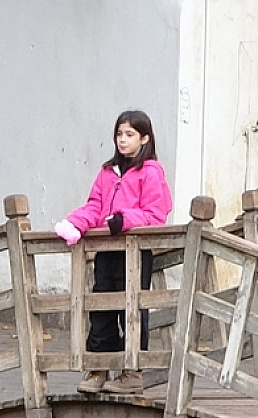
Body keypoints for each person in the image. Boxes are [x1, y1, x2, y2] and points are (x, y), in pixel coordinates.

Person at [54, 110, 174, 395]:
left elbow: (155, 214)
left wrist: (125, 220)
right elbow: (95, 205)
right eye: (119, 134)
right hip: (106, 249)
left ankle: (132, 370)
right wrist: (76, 222)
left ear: (145, 138)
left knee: (131, 306)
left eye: (130, 135)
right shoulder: (108, 171)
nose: (123, 140)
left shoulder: (151, 172)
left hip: (134, 251)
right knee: (101, 305)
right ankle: (98, 366)